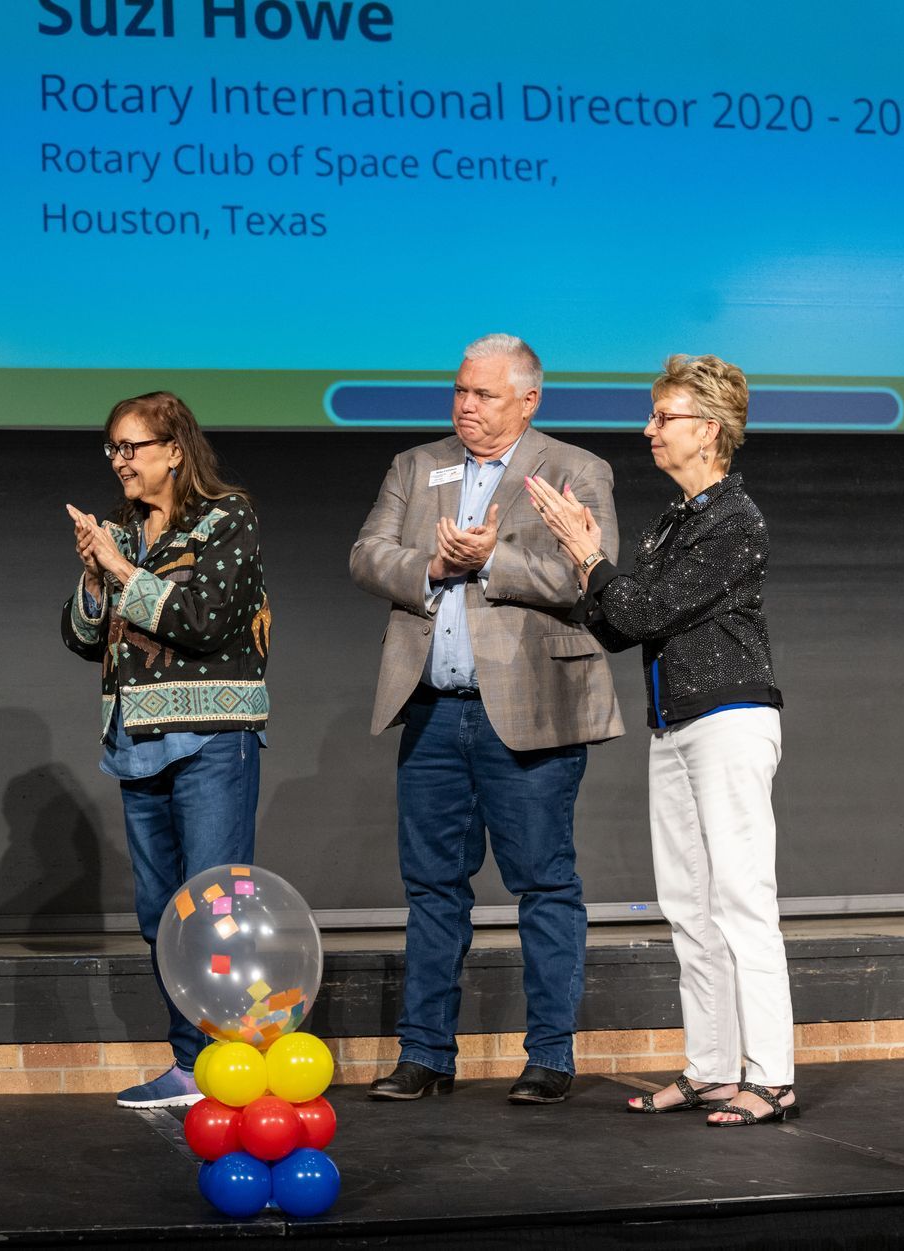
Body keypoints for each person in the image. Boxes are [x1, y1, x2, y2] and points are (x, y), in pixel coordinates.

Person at [349, 333, 622, 1106]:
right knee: (432, 886)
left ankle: (549, 1056)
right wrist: (434, 567)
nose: (466, 407)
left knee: (544, 882)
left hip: (531, 709)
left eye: (485, 395)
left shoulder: (575, 470)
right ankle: (427, 1053)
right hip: (431, 710)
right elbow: (366, 554)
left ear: (529, 399)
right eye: (461, 391)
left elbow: (583, 577)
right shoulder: (414, 466)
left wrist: (488, 561)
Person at [528, 354, 792, 1127]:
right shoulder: (674, 520)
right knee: (687, 903)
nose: (649, 429)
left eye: (663, 417)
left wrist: (590, 557)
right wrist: (589, 567)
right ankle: (713, 1067)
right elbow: (617, 622)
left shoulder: (734, 519)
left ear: (707, 429)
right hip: (674, 722)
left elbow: (642, 611)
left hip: (730, 718)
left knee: (742, 897)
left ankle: (772, 1074)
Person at [61, 391, 269, 1109]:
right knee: (160, 914)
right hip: (136, 740)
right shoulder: (122, 529)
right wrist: (95, 577)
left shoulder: (224, 519)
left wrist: (121, 571)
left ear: (174, 449)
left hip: (211, 739)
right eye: (113, 448)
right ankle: (190, 1065)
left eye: (133, 446)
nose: (120, 460)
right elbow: (82, 636)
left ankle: (230, 1062)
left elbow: (206, 621)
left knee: (212, 910)